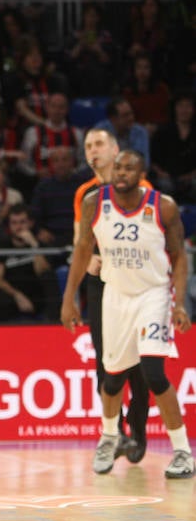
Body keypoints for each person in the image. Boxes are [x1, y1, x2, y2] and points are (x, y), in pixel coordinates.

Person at [61, 150, 193, 479]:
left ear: (142, 173)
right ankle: (109, 436)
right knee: (113, 376)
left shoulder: (163, 207)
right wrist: (69, 298)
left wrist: (179, 303)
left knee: (153, 372)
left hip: (153, 295)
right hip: (115, 295)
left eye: (128, 168)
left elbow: (179, 257)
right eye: (117, 167)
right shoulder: (94, 202)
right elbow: (81, 252)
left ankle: (183, 453)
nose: (121, 172)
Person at [72, 128, 151, 463]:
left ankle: (139, 432)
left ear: (116, 149)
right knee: (106, 362)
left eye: (100, 144)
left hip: (135, 284)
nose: (94, 151)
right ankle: (113, 433)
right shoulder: (84, 193)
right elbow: (80, 239)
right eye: (88, 146)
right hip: (101, 284)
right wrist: (88, 259)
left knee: (142, 366)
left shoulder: (142, 188)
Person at [0, 204, 60, 322]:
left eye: (22, 222)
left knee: (49, 278)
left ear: (31, 223)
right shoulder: (2, 245)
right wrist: (17, 295)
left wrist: (34, 245)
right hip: (14, 296)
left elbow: (43, 271)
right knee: (2, 297)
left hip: (37, 296)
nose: (18, 227)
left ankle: (53, 324)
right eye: (14, 223)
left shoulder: (39, 245)